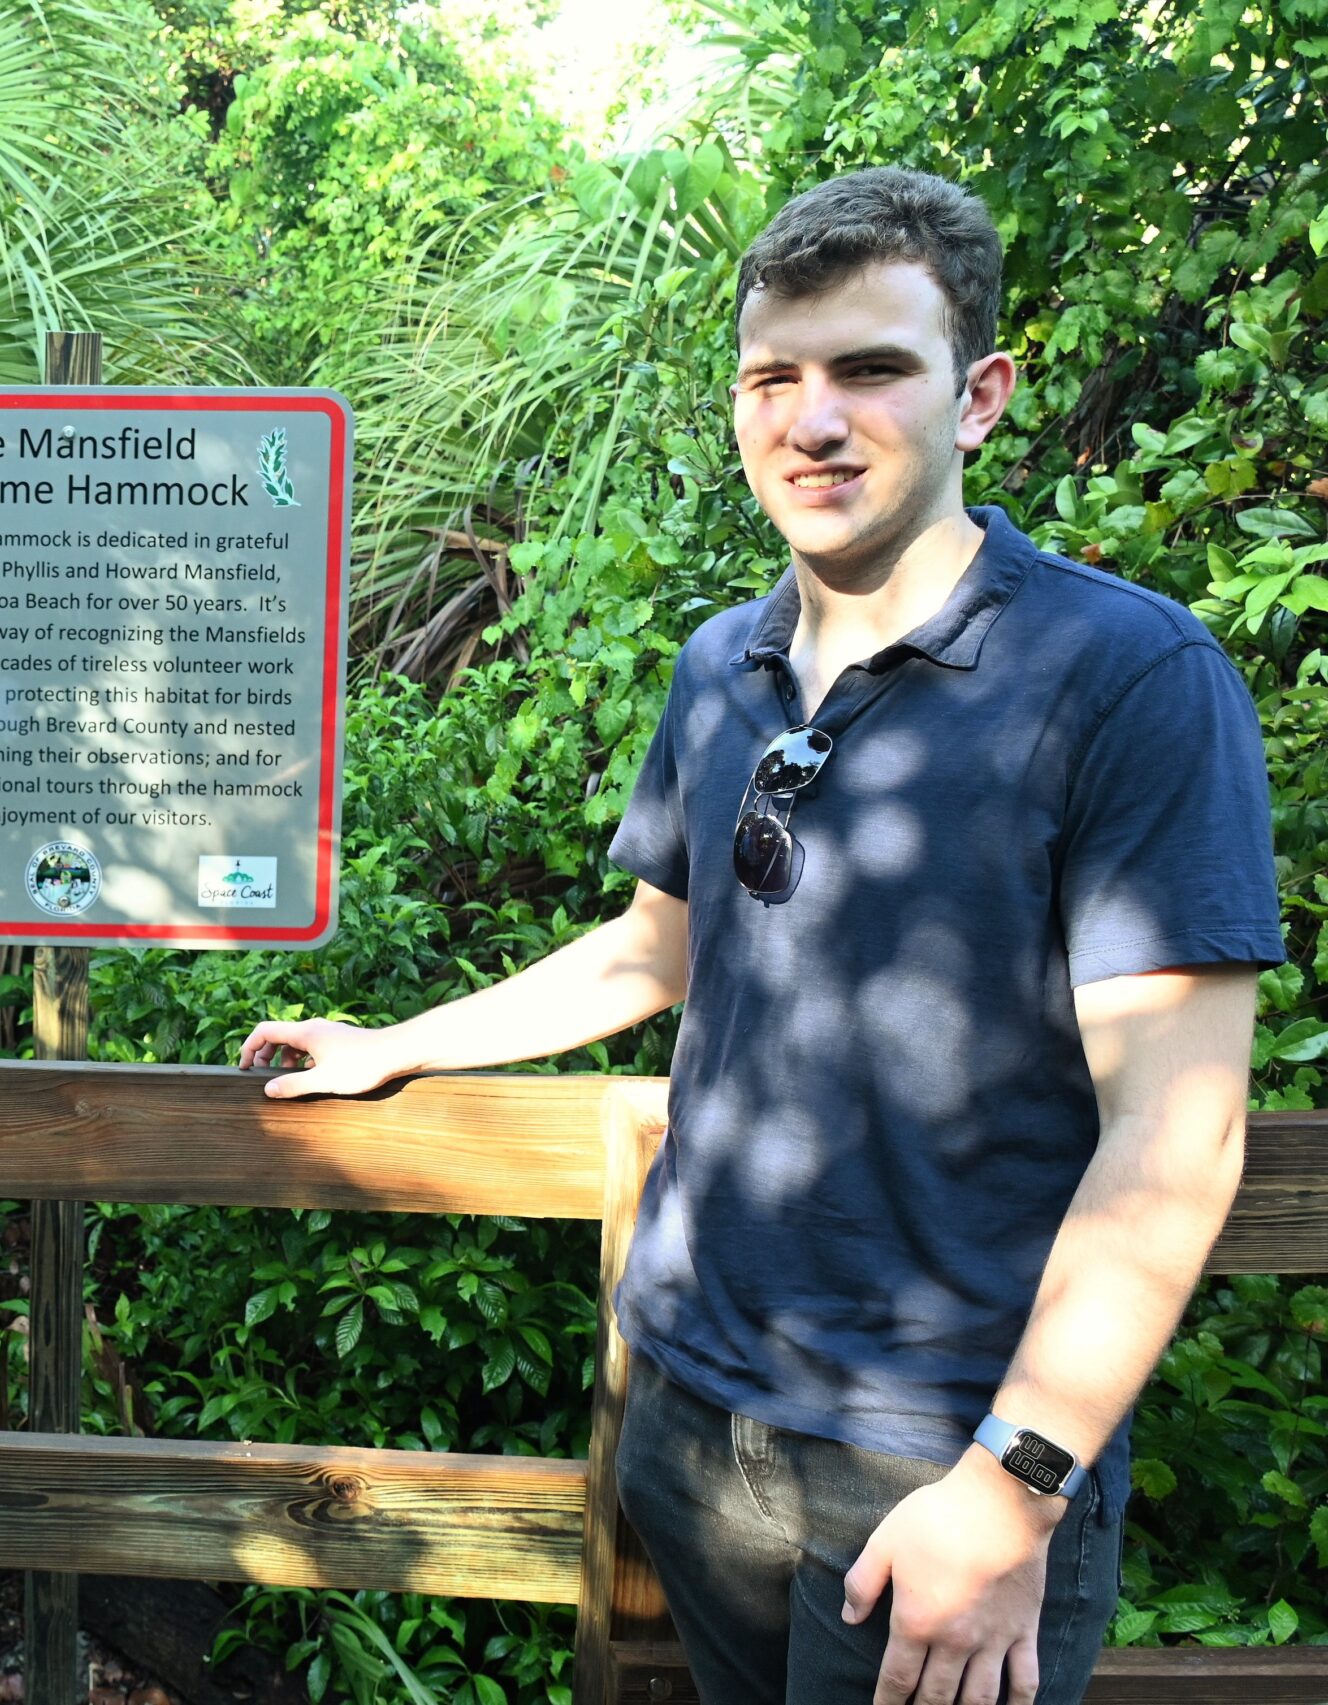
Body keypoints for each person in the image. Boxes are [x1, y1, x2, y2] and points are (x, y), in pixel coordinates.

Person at [239, 168, 1280, 1705]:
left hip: (941, 1454)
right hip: (693, 1411)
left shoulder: (1127, 680)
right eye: (773, 378)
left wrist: (1015, 1488)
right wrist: (397, 1045)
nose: (813, 421)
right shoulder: (723, 667)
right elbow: (649, 953)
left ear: (979, 396)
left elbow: (1177, 1138)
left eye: (872, 370)